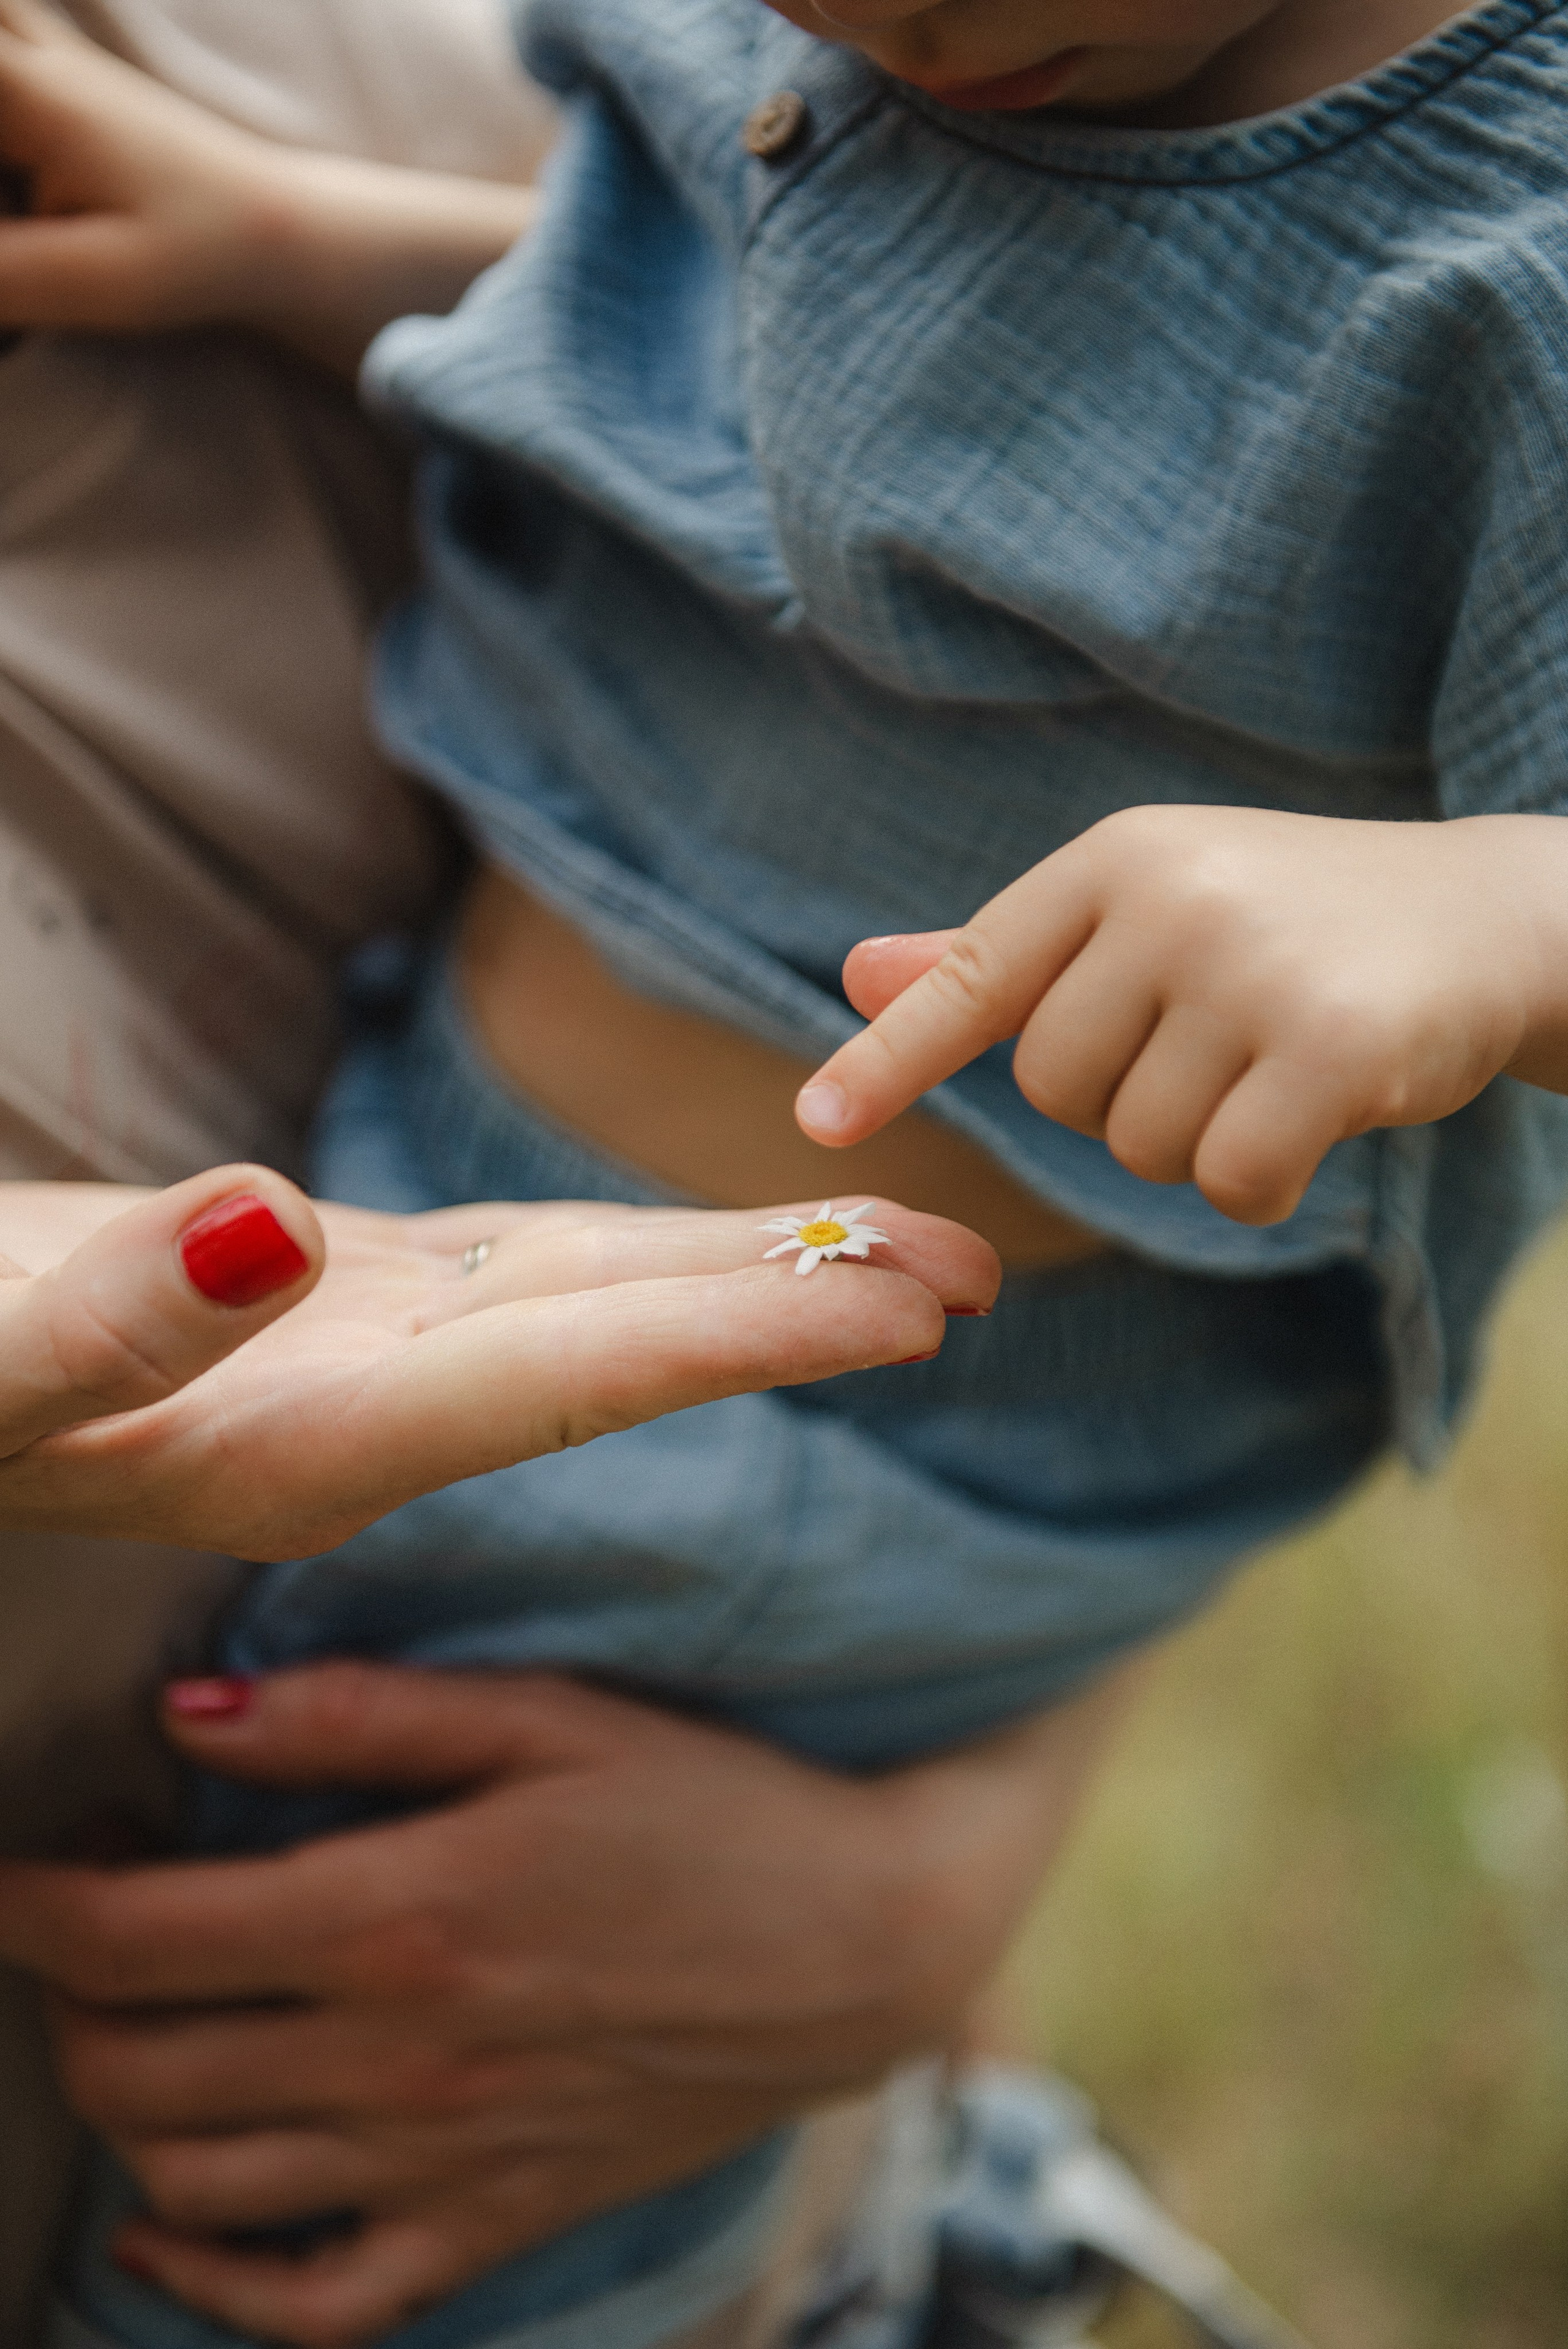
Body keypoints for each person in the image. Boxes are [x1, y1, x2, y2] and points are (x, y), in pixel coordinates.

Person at [4, 0, 1567, 2343]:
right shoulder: (957, 56)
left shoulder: (1502, 254)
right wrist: (325, 249)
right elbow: (820, 365)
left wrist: (1516, 908)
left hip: (876, 1428)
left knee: (368, 2141)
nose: (895, 30)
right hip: (453, 1190)